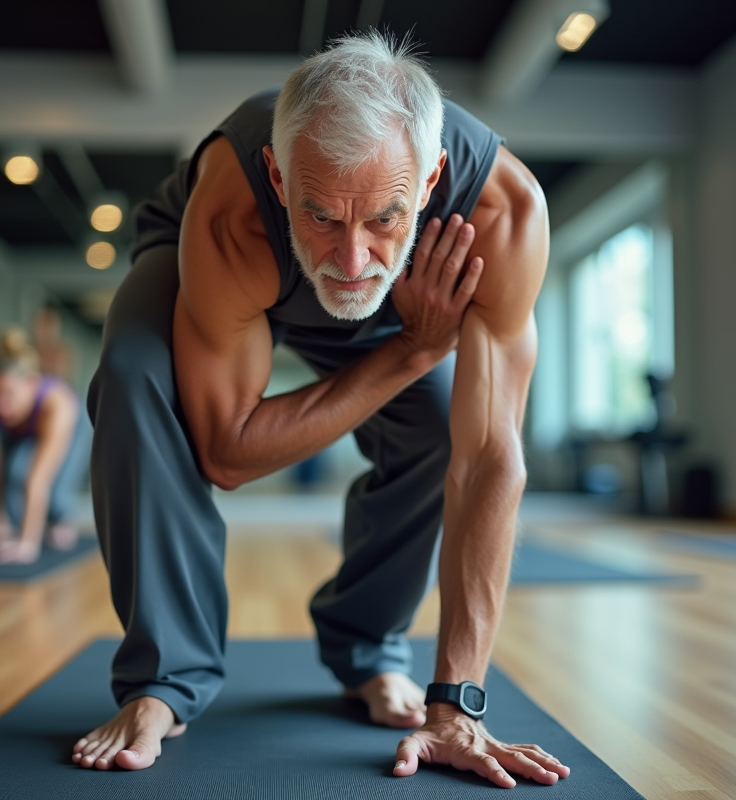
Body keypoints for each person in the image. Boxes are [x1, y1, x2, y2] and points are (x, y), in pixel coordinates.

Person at [77, 33, 568, 789]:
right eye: (323, 216)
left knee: (442, 422)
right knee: (135, 374)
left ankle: (368, 647)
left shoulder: (502, 215)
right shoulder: (231, 214)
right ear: (277, 177)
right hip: (218, 274)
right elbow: (227, 452)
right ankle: (160, 682)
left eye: (383, 219)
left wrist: (457, 705)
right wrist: (411, 350)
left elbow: (491, 458)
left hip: (407, 303)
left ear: (432, 176)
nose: (351, 258)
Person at [0, 327, 92, 565]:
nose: (1, 406)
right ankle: (17, 527)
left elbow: (38, 478)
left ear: (31, 383)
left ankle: (61, 520)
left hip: (71, 428)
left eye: (9, 395)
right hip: (23, 432)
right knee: (14, 477)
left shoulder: (57, 403)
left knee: (54, 494)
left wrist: (27, 543)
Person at [31, 307, 76, 386]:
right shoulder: (28, 349)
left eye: (48, 324)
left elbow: (62, 381)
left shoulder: (62, 352)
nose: (45, 330)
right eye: (42, 324)